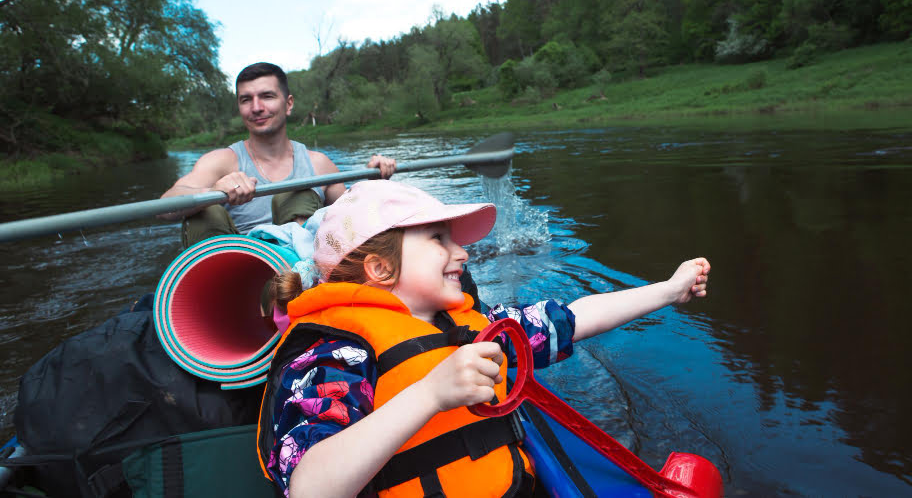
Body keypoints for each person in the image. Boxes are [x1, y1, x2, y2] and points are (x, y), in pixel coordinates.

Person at [255, 179, 710, 498]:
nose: (463, 252)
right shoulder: (332, 353)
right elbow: (310, 488)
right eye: (439, 239)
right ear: (380, 267)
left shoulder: (478, 326)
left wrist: (668, 290)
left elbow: (572, 318)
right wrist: (431, 394)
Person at [160, 62, 397, 247]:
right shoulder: (221, 161)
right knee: (204, 211)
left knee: (297, 194)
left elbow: (355, 222)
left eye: (267, 96)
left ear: (289, 104)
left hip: (300, 274)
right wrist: (213, 193)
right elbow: (165, 206)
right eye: (246, 100)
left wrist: (374, 185)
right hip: (237, 275)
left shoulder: (319, 164)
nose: (256, 107)